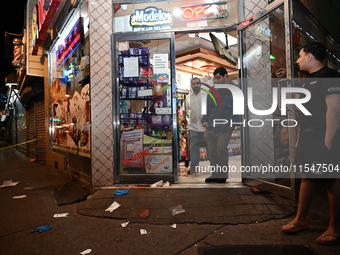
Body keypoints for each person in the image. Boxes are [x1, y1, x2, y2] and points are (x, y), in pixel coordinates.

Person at [281, 42, 340, 246]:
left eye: (300, 55)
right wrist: (298, 136)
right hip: (308, 136)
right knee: (307, 175)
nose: (297, 60)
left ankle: (334, 227)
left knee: (332, 179)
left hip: (324, 135)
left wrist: (328, 140)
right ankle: (301, 219)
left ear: (310, 56)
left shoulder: (330, 75)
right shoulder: (308, 80)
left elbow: (334, 109)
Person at [201, 66, 238, 183]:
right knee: (212, 151)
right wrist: (204, 120)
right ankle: (215, 174)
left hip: (226, 126)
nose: (216, 81)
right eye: (214, 79)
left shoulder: (235, 90)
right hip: (212, 125)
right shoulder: (212, 90)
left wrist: (233, 122)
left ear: (225, 76)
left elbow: (239, 109)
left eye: (218, 78)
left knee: (221, 149)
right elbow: (207, 107)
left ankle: (223, 175)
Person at [182, 77, 206, 175]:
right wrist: (183, 118)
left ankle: (215, 168)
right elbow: (184, 109)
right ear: (191, 85)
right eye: (194, 84)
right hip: (193, 127)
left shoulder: (205, 95)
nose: (196, 85)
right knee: (194, 148)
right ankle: (194, 168)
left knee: (211, 149)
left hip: (206, 128)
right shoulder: (188, 97)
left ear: (200, 84)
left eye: (197, 83)